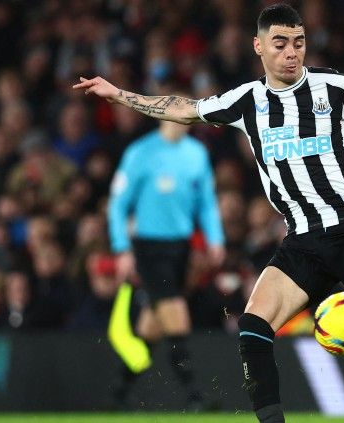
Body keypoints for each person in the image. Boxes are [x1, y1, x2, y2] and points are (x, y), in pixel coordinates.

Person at [74, 4, 344, 423]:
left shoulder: (335, 87)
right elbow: (183, 108)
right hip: (303, 240)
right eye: (281, 43)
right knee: (253, 326)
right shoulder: (246, 101)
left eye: (299, 43)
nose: (292, 52)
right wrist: (117, 94)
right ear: (259, 46)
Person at [106, 117, 226, 409]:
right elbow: (118, 204)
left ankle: (120, 392)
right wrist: (122, 248)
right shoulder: (141, 152)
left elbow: (206, 202)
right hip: (149, 247)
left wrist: (215, 239)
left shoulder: (196, 153)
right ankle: (195, 395)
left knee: (152, 324)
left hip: (180, 248)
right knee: (175, 311)